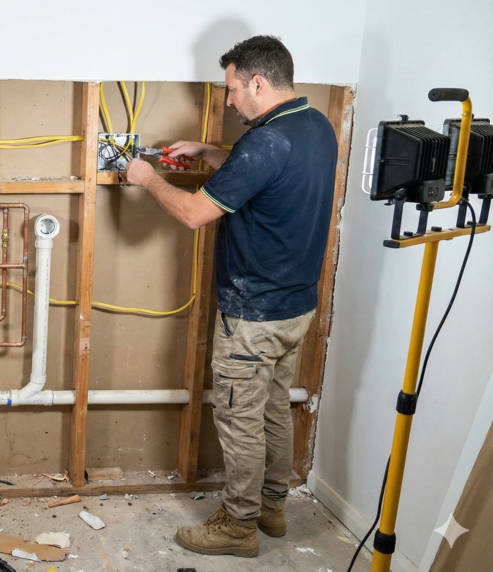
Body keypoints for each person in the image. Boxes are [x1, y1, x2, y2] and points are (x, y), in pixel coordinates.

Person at [125, 35, 337, 557]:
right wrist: (212, 152)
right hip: (295, 309)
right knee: (271, 411)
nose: (227, 100)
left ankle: (238, 528)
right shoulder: (313, 126)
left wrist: (147, 179)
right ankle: (272, 508)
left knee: (240, 419)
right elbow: (268, 178)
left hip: (252, 316)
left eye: (231, 89)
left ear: (258, 83)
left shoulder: (264, 143)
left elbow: (195, 214)